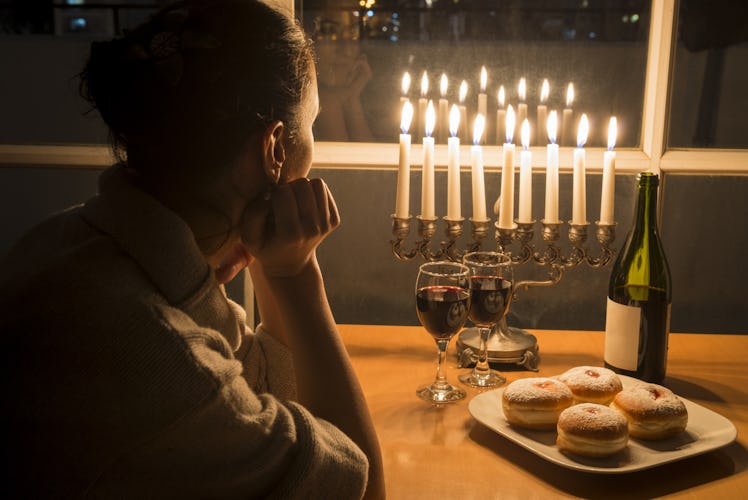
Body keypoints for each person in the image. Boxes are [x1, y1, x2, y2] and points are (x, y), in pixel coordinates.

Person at [0, 1, 385, 498]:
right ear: (274, 150)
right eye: (312, 123)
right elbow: (361, 489)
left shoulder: (79, 243)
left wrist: (275, 258)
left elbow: (269, 385)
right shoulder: (156, 353)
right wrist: (297, 274)